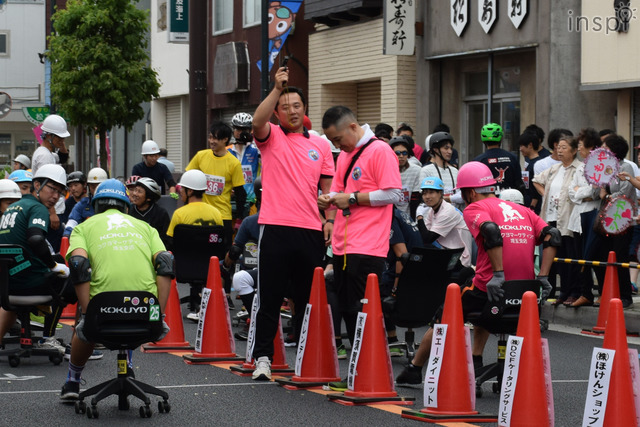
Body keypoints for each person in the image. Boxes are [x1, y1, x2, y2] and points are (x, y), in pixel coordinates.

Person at [396, 161, 559, 386]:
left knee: (446, 313)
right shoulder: (524, 211)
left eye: (463, 193)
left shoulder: (475, 208)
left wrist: (499, 275)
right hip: (525, 291)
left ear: (470, 192)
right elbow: (553, 235)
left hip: (491, 286)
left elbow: (491, 231)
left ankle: (415, 368)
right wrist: (543, 277)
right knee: (481, 299)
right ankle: (476, 358)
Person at [250, 65, 334, 381]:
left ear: (305, 108)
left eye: (296, 106)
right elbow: (257, 121)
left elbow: (329, 190)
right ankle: (263, 359)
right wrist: (276, 89)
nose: (291, 111)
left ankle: (305, 359)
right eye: (285, 107)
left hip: (311, 230)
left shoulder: (322, 145)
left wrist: (329, 221)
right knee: (269, 297)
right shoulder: (271, 137)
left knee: (306, 300)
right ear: (279, 112)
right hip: (275, 227)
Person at [59, 179, 172, 401]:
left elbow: (78, 264)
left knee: (88, 319)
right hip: (146, 311)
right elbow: (166, 262)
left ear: (96, 204)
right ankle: (128, 363)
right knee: (130, 301)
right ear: (125, 205)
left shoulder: (83, 227)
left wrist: (87, 313)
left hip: (102, 312)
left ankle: (72, 382)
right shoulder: (146, 228)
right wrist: (159, 314)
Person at [318, 105, 401, 386]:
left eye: (338, 138)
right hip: (344, 244)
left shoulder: (380, 151)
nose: (336, 145)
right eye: (332, 141)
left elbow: (393, 193)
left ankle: (368, 373)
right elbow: (341, 191)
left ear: (353, 127)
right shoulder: (345, 155)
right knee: (349, 310)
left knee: (362, 310)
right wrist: (330, 202)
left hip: (367, 246)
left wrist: (352, 199)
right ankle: (358, 373)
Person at [0, 164, 72, 354]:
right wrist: (54, 265)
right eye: (52, 189)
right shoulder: (38, 208)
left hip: (7, 283)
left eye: (60, 192)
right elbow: (36, 238)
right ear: (37, 185)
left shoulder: (12, 207)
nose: (56, 196)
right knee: (72, 277)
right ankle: (50, 338)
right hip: (28, 282)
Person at [166, 169, 223, 321]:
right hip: (209, 267)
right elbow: (219, 242)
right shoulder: (216, 213)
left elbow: (170, 242)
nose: (180, 193)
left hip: (183, 266)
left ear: (190, 191)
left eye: (182, 189)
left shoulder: (180, 214)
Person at [533, 136, 582, 306]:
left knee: (571, 258)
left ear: (574, 150)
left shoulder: (579, 169)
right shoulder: (554, 169)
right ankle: (563, 292)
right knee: (558, 259)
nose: (559, 150)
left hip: (568, 220)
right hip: (551, 219)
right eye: (558, 147)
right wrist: (546, 194)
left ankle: (573, 292)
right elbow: (536, 180)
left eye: (564, 147)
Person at [186, 121, 246, 256]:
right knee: (198, 250)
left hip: (222, 216)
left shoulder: (234, 163)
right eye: (210, 137)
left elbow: (240, 193)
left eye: (215, 138)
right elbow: (188, 179)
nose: (211, 141)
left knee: (221, 252)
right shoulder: (201, 156)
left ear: (225, 139)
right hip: (199, 212)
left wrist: (239, 219)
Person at [592, 134, 636, 308]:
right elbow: (596, 194)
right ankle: (607, 292)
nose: (603, 151)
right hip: (605, 220)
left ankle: (625, 296)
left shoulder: (626, 167)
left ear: (615, 151)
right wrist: (597, 184)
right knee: (598, 255)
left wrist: (608, 195)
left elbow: (624, 193)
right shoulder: (606, 168)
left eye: (606, 148)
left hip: (622, 221)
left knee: (620, 257)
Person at [222, 177, 262, 341]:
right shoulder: (291, 216)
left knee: (239, 276)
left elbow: (235, 251)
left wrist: (224, 266)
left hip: (259, 271)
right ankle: (297, 326)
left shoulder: (251, 221)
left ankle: (254, 319)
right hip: (290, 272)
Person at [568, 128, 603, 307]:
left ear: (590, 147)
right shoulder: (580, 167)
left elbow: (595, 193)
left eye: (581, 146)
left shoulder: (599, 166)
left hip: (593, 216)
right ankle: (585, 292)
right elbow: (570, 192)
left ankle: (602, 292)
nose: (579, 149)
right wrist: (583, 194)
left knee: (594, 257)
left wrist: (580, 193)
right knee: (579, 256)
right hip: (577, 218)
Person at [416, 177, 474, 269]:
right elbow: (423, 234)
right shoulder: (432, 210)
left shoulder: (447, 212)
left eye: (431, 192)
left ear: (441, 194)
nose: (427, 196)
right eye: (424, 193)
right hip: (446, 252)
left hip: (459, 259)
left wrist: (419, 217)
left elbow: (427, 238)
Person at [33, 114, 70, 249]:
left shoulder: (48, 154)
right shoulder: (44, 156)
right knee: (53, 249)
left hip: (53, 209)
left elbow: (63, 157)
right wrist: (52, 213)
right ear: (49, 136)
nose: (62, 140)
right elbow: (46, 185)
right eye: (59, 137)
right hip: (51, 211)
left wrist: (60, 142)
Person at [474, 123, 525, 193]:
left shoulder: (478, 161)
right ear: (501, 138)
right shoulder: (513, 158)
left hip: (488, 201)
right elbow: (519, 183)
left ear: (483, 140)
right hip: (510, 200)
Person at [228, 112, 261, 218]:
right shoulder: (226, 151)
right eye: (237, 129)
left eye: (244, 130)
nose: (240, 133)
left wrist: (255, 140)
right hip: (229, 201)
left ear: (250, 130)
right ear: (233, 129)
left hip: (251, 202)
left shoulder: (256, 151)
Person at [63, 168, 108, 238]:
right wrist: (66, 235)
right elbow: (72, 221)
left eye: (99, 186)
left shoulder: (114, 203)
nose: (96, 190)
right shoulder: (82, 205)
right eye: (93, 186)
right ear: (88, 187)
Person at [127, 176, 170, 247]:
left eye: (139, 191)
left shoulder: (161, 214)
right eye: (135, 190)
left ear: (149, 198)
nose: (135, 194)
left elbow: (166, 240)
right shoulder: (128, 210)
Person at [419, 132, 459, 203]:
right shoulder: (426, 171)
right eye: (446, 148)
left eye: (451, 148)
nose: (449, 151)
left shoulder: (455, 171)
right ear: (435, 149)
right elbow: (425, 199)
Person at [389, 136, 421, 218]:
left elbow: (416, 201)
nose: (401, 156)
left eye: (404, 153)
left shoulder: (416, 170)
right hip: (389, 216)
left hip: (409, 216)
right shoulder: (385, 170)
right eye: (397, 153)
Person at [518, 131, 544, 214]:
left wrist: (532, 206)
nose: (520, 149)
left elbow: (538, 188)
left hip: (535, 207)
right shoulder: (529, 161)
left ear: (530, 145)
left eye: (522, 146)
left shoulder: (538, 164)